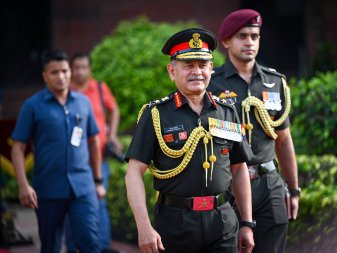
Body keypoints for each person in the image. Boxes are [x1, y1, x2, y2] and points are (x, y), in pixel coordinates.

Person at [125, 28, 256, 253]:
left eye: (203, 65)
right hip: (176, 224)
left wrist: (246, 223)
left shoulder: (227, 111)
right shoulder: (156, 114)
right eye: (188, 65)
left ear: (211, 69)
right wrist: (144, 228)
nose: (197, 72)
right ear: (172, 71)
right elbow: (133, 173)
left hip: (223, 221)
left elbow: (239, 168)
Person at [208, 9, 300, 253]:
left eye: (254, 36)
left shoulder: (274, 81)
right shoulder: (211, 83)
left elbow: (284, 141)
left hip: (269, 183)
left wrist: (293, 189)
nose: (249, 42)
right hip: (229, 184)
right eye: (242, 36)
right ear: (226, 41)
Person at [11, 49, 105, 253]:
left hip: (83, 187)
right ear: (45, 76)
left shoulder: (83, 102)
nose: (60, 76)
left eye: (64, 71)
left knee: (90, 243)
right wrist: (23, 185)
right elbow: (17, 148)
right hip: (48, 188)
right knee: (51, 246)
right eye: (54, 72)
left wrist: (97, 181)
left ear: (70, 72)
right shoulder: (32, 106)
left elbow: (93, 143)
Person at [64, 52, 122, 253]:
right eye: (76, 67)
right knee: (70, 206)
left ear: (90, 69)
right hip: (73, 162)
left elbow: (114, 109)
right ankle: (72, 248)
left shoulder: (98, 88)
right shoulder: (64, 91)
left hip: (99, 159)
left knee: (99, 203)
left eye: (83, 67)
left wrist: (112, 135)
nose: (80, 71)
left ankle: (103, 246)